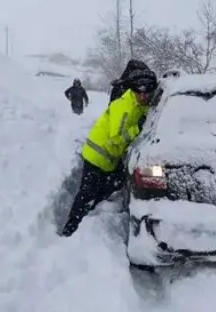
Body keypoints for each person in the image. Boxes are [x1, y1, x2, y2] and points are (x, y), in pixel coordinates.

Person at [60, 68, 159, 237]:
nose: (143, 96)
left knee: (111, 185)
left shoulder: (142, 105)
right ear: (132, 90)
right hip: (97, 155)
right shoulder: (124, 107)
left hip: (109, 157)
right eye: (138, 91)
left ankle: (91, 211)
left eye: (147, 91)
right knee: (86, 193)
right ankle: (70, 229)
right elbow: (115, 139)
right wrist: (137, 128)